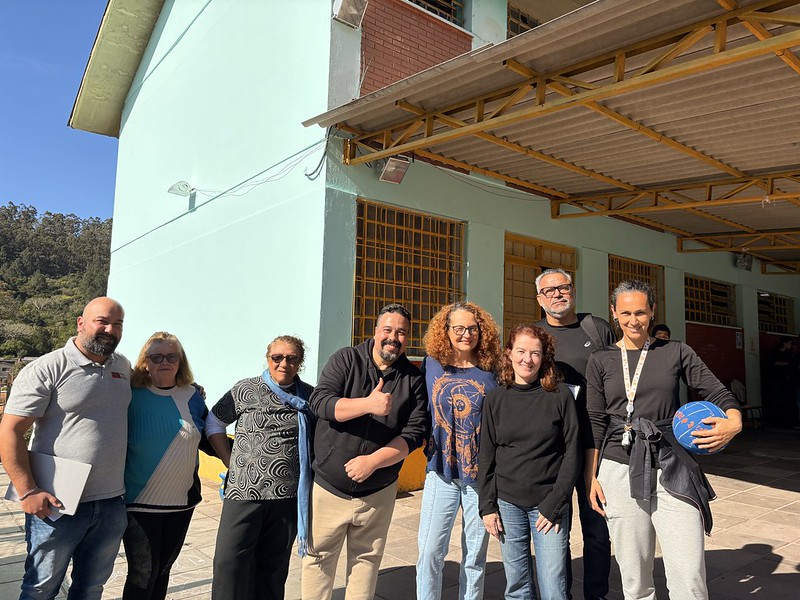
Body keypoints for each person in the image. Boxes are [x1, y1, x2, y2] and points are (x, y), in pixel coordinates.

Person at [585, 279, 743, 600]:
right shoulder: (600, 360)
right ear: (614, 313)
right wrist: (590, 475)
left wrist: (734, 421)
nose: (633, 320)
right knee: (635, 579)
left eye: (641, 312)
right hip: (618, 467)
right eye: (626, 312)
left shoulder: (675, 351)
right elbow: (595, 420)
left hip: (670, 461)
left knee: (689, 575)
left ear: (653, 311)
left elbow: (716, 390)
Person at [0, 297, 131, 600]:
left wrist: (187, 388)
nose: (110, 329)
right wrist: (28, 491)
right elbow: (9, 431)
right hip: (57, 503)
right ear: (81, 323)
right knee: (41, 588)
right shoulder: (47, 368)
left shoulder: (122, 366)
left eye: (118, 324)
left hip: (111, 503)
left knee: (91, 588)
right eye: (102, 321)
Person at [301, 303, 429, 600]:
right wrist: (367, 405)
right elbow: (320, 402)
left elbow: (413, 435)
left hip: (378, 491)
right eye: (387, 329)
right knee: (318, 559)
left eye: (401, 332)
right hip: (328, 487)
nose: (393, 337)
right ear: (375, 331)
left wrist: (373, 462)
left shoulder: (413, 378)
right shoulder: (347, 359)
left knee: (366, 562)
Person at [206, 335, 314, 600]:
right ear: (268, 359)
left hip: (286, 498)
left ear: (300, 362)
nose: (283, 364)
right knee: (228, 564)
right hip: (243, 493)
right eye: (277, 357)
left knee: (272, 569)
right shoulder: (245, 389)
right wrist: (229, 460)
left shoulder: (309, 396)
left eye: (291, 358)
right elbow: (214, 422)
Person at [479, 324, 580, 600]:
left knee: (553, 588)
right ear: (509, 353)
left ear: (544, 357)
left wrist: (555, 502)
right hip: (507, 504)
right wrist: (487, 506)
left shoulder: (560, 397)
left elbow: (572, 451)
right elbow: (486, 454)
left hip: (548, 505)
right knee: (517, 587)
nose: (528, 359)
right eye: (521, 351)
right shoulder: (495, 399)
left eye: (535, 353)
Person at [534, 268, 614, 600]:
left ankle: (596, 594)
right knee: (556, 530)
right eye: (548, 291)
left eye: (562, 288)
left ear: (573, 291)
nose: (556, 295)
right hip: (553, 450)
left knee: (597, 529)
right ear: (539, 299)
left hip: (597, 445)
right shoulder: (534, 335)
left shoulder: (596, 329)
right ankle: (559, 593)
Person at [416, 301, 502, 600]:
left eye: (473, 328)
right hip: (441, 471)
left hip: (480, 476)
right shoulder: (431, 364)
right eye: (459, 328)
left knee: (475, 558)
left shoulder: (493, 370)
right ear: (446, 330)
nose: (466, 334)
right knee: (429, 552)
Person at [122, 332, 209, 600]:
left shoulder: (193, 395)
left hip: (181, 501)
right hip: (138, 501)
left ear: (180, 361)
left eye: (171, 356)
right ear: (145, 361)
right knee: (142, 573)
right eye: (156, 357)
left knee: (163, 571)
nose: (164, 362)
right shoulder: (130, 395)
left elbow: (206, 438)